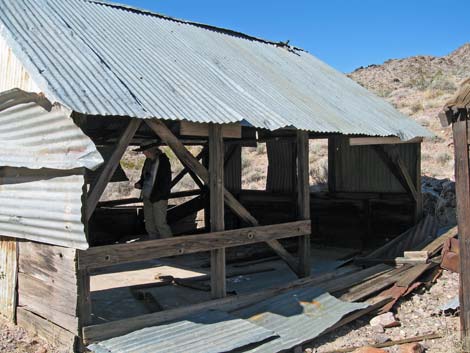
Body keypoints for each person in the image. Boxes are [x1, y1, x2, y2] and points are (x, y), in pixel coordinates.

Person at [134, 142, 173, 239]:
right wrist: (140, 183)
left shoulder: (163, 161)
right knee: (150, 225)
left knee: (160, 225)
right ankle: (156, 247)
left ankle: (170, 248)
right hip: (147, 196)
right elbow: (145, 177)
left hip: (158, 198)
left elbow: (165, 181)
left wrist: (157, 196)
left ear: (150, 150)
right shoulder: (148, 161)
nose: (143, 153)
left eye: (144, 151)